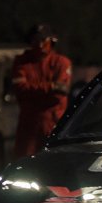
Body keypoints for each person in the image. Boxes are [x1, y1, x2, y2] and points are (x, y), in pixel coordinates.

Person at [12, 24, 72, 158]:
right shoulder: (21, 62)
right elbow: (20, 89)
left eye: (43, 40)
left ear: (52, 41)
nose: (40, 45)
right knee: (24, 163)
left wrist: (33, 90)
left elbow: (60, 93)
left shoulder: (61, 62)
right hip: (29, 126)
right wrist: (51, 87)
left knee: (54, 161)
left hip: (54, 125)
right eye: (36, 40)